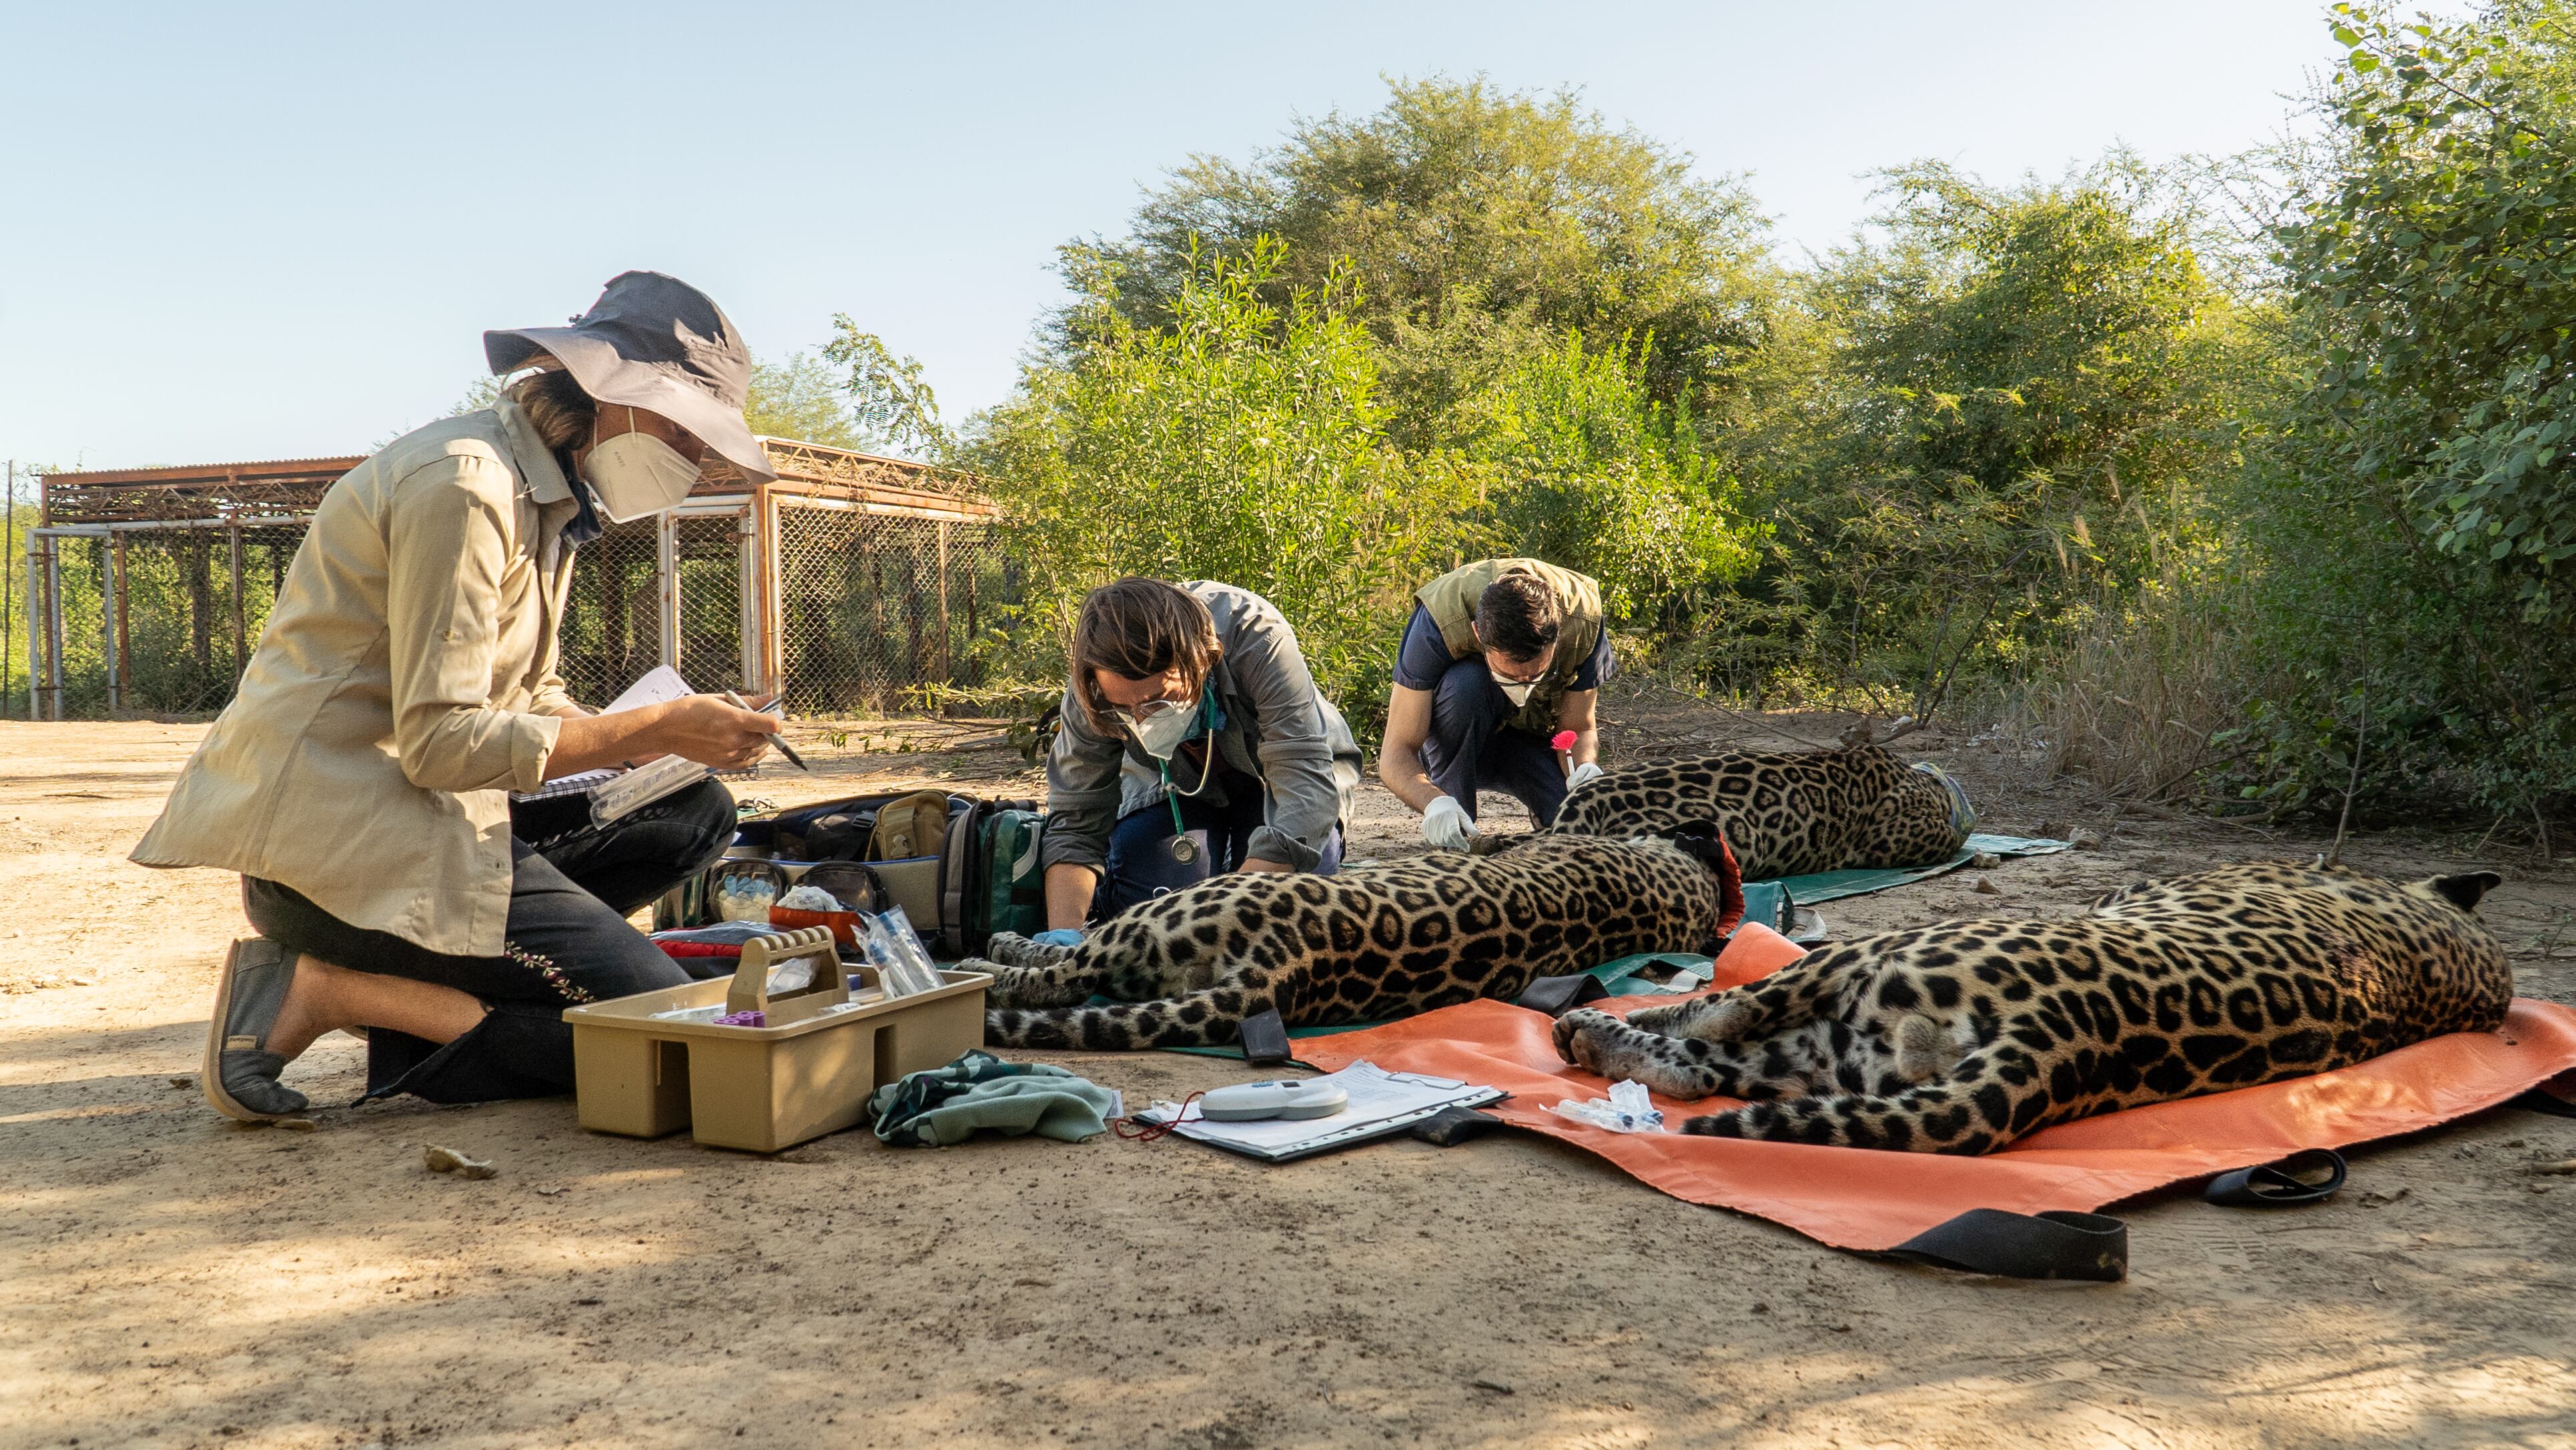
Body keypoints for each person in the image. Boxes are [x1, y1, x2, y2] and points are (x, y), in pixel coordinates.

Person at [133, 271, 787, 1121]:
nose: (693, 458)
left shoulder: (548, 492)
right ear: (603, 395)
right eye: (681, 427)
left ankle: (477, 968)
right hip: (344, 860)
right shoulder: (468, 486)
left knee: (690, 807)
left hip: (433, 819)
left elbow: (528, 692)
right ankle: (330, 988)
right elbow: (443, 743)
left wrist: (650, 743)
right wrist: (654, 723)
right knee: (672, 1044)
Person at [1036, 578, 1362, 936]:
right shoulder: (1093, 686)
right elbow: (1076, 822)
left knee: (1287, 907)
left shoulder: (1258, 638)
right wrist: (1062, 938)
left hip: (1278, 781)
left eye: (1157, 701)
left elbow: (1306, 789)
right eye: (1123, 708)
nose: (1141, 721)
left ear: (1201, 660)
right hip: (1171, 787)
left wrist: (1222, 912)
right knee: (1157, 908)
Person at [1378, 557, 1611, 849]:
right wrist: (1434, 802)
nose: (1524, 685)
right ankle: (1458, 825)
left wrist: (1584, 771)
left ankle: (1547, 806)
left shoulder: (1584, 619)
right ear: (1478, 634)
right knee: (1466, 685)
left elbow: (1579, 727)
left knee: (1574, 827)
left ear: (1557, 636)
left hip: (1533, 742)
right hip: (1459, 733)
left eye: (1536, 674)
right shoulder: (1437, 621)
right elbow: (1396, 751)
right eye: (1510, 676)